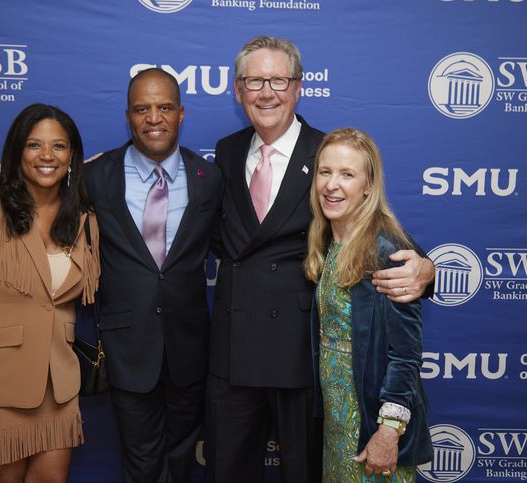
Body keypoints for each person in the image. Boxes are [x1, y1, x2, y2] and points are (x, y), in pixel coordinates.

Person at [204, 36, 436, 483]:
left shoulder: (327, 153)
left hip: (300, 358)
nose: (266, 91)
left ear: (298, 87)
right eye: (254, 81)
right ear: (238, 90)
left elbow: (379, 232)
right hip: (232, 354)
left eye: (278, 80)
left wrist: (427, 269)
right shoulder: (228, 151)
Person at [0, 103, 100, 482]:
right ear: (16, 152)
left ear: (72, 155)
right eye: (34, 145)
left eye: (58, 146)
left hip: (57, 386)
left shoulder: (83, 220)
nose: (46, 156)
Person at [84, 68, 222, 483]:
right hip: (127, 347)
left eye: (164, 107)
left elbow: (240, 246)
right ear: (127, 116)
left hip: (189, 347)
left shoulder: (209, 178)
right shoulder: (95, 176)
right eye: (142, 109)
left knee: (181, 460)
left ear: (182, 113)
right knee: (142, 463)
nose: (153, 118)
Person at [305, 127, 433, 481]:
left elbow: (405, 355)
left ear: (368, 185)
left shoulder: (386, 251)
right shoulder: (329, 240)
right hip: (338, 421)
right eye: (325, 172)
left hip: (372, 425)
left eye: (347, 174)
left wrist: (388, 432)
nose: (332, 185)